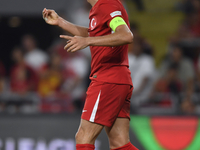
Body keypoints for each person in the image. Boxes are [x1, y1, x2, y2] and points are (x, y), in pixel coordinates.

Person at [42, 0, 138, 149]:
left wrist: (87, 41)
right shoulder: (100, 7)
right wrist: (61, 22)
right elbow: (95, 33)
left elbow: (126, 35)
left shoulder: (108, 5)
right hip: (117, 79)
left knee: (83, 137)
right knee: (119, 143)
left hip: (108, 79)